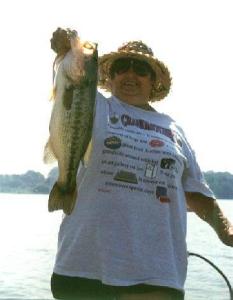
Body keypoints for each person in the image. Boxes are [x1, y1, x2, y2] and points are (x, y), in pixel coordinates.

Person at [50, 34, 233, 300]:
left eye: (141, 69)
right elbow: (69, 84)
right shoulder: (94, 105)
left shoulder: (174, 131)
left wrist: (226, 230)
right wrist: (65, 48)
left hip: (156, 273)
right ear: (108, 77)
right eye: (121, 67)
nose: (130, 74)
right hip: (83, 266)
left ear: (154, 80)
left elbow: (195, 192)